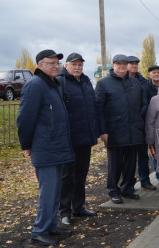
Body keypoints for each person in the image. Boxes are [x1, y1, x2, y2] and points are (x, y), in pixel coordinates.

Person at [17, 49, 74, 246]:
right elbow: (25, 119)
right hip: (45, 147)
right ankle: (39, 231)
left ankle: (50, 227)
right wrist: (26, 144)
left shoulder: (53, 84)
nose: (56, 66)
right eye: (51, 63)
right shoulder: (35, 85)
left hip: (57, 146)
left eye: (57, 63)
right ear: (40, 65)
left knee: (55, 191)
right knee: (48, 192)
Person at [95, 54, 147, 204]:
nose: (122, 67)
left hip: (134, 130)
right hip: (114, 130)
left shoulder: (135, 83)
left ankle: (128, 189)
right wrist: (102, 130)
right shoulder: (104, 84)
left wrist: (137, 119)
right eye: (119, 64)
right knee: (115, 164)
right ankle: (113, 190)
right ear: (113, 65)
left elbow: (143, 103)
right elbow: (99, 109)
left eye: (125, 64)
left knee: (131, 163)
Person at [56, 53, 100, 227]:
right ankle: (64, 211)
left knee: (82, 173)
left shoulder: (86, 82)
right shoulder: (61, 82)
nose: (77, 67)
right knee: (67, 176)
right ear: (66, 65)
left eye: (80, 65)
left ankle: (79, 206)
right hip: (69, 139)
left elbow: (92, 108)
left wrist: (94, 131)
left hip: (84, 138)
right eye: (74, 64)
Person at [126, 56, 157, 191]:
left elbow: (147, 101)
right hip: (127, 123)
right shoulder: (122, 80)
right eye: (131, 64)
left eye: (136, 64)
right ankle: (129, 183)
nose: (134, 66)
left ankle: (145, 179)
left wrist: (140, 115)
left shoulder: (143, 82)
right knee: (128, 156)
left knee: (143, 154)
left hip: (142, 121)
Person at [146, 64, 159, 185]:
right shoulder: (146, 88)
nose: (156, 75)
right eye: (154, 73)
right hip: (153, 122)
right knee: (155, 152)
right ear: (150, 75)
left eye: (158, 73)